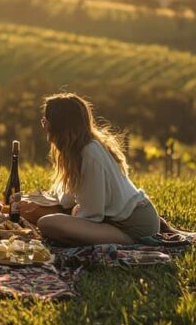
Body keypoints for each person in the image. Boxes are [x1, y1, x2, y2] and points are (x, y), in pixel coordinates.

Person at [35, 93, 163, 245]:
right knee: (57, 219)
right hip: (118, 222)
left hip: (133, 228)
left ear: (59, 125)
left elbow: (92, 215)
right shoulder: (77, 150)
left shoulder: (90, 153)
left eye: (45, 121)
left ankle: (131, 243)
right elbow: (68, 200)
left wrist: (71, 218)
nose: (44, 126)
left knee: (47, 224)